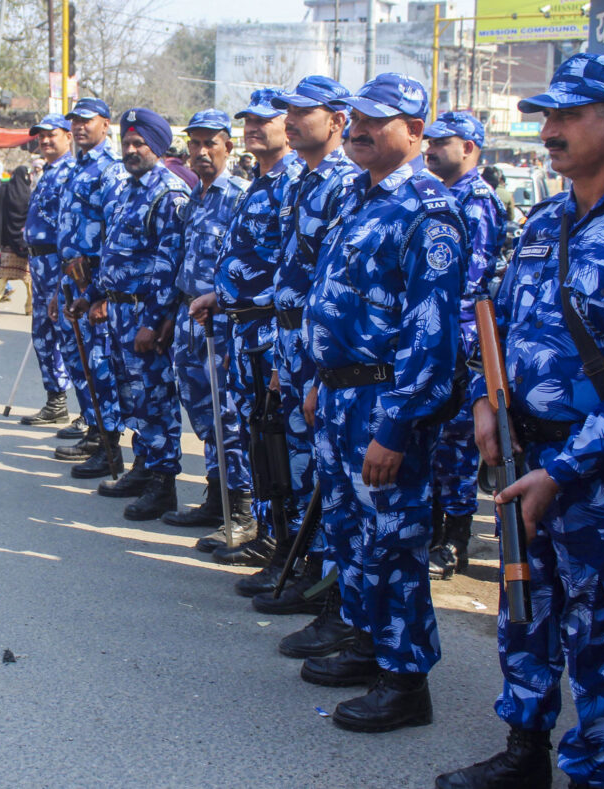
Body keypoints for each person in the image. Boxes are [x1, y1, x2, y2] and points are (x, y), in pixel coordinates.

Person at [435, 53, 604, 789]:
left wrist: (563, 469)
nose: (550, 130)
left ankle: (593, 771)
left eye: (570, 114)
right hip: (521, 458)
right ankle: (522, 753)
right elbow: (494, 325)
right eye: (547, 116)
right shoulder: (544, 219)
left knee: (599, 635)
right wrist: (482, 401)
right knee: (524, 610)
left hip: (591, 476)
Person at [298, 73, 464, 733]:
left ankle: (405, 678)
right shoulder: (359, 198)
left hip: (383, 400)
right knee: (351, 532)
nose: (360, 130)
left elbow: (432, 337)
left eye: (378, 121)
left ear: (417, 131)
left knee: (393, 540)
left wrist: (395, 426)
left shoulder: (429, 208)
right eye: (356, 119)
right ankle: (369, 642)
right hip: (340, 394)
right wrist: (317, 377)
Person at [250, 76, 359, 620]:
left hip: (320, 346)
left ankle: (318, 572)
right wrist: (281, 358)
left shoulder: (345, 183)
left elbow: (332, 284)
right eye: (287, 112)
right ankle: (289, 555)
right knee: (291, 457)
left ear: (337, 121)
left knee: (321, 466)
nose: (290, 121)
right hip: (289, 337)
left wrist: (316, 366)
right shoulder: (302, 180)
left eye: (302, 113)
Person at [189, 88, 303, 570]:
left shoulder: (294, 182)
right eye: (248, 121)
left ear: (287, 126)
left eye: (265, 120)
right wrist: (222, 295)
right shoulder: (259, 182)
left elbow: (295, 267)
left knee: (278, 439)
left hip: (272, 330)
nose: (254, 127)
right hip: (242, 328)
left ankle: (286, 545)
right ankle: (262, 530)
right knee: (257, 433)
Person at [68, 108, 189, 521]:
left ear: (158, 146)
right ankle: (143, 467)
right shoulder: (127, 190)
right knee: (131, 396)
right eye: (128, 143)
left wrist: (153, 321)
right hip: (117, 312)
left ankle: (163, 482)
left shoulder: (168, 194)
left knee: (155, 399)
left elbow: (168, 265)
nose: (132, 150)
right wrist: (91, 295)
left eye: (140, 144)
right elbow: (113, 256)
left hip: (142, 315)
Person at [161, 108, 255, 538]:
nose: (199, 152)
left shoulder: (239, 197)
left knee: (227, 416)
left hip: (221, 323)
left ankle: (242, 510)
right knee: (201, 413)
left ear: (227, 147)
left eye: (209, 144)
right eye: (194, 143)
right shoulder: (194, 197)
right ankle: (215, 498)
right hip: (188, 318)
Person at [423, 110, 508, 581]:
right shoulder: (439, 195)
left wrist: (451, 347)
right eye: (429, 141)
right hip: (435, 338)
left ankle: (453, 543)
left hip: (460, 343)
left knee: (455, 448)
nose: (431, 149)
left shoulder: (475, 200)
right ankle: (433, 532)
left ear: (469, 148)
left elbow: (467, 285)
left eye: (442, 142)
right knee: (433, 444)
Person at [54, 97, 126, 478]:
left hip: (92, 281)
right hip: (70, 277)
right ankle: (96, 431)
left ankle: (109, 444)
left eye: (87, 120)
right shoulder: (77, 166)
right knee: (79, 362)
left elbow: (112, 233)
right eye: (75, 121)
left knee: (99, 364)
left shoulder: (110, 170)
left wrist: (95, 290)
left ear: (104, 124)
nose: (79, 127)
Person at [19, 114, 76, 428]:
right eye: (40, 136)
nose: (44, 141)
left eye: (51, 135)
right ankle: (55, 401)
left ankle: (93, 417)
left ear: (68, 136)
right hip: (40, 267)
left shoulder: (70, 173)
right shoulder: (48, 172)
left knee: (71, 338)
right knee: (43, 336)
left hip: (59, 265)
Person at [0, 165, 33, 316]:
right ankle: (29, 308)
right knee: (29, 280)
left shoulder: (4, 191)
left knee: (2, 276)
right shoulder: (27, 194)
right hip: (23, 243)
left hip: (6, 243)